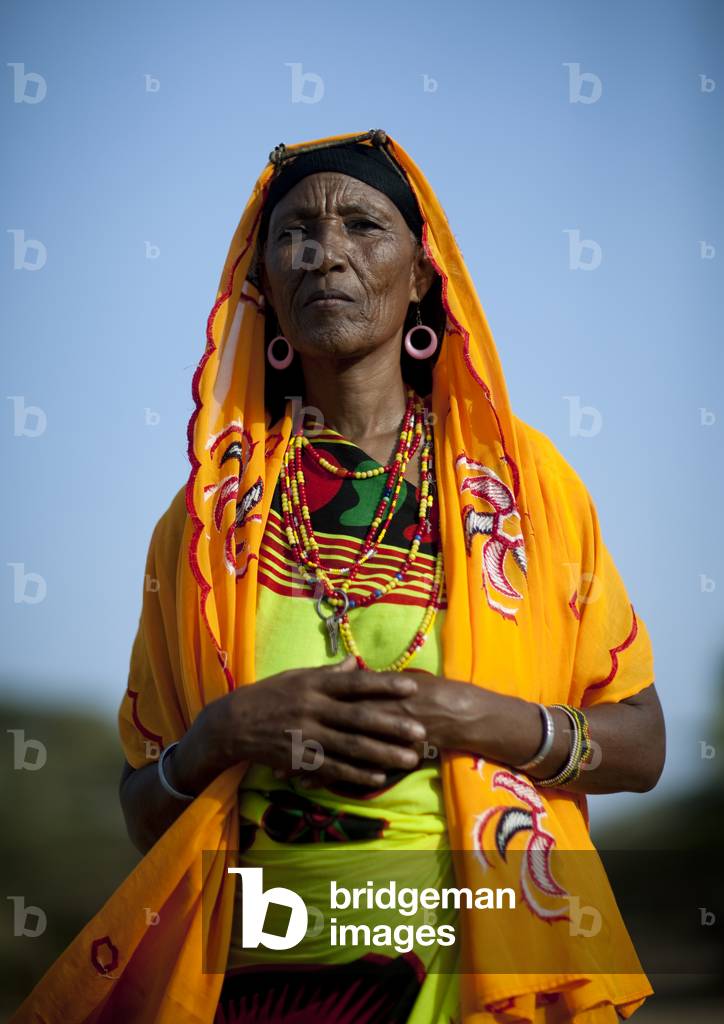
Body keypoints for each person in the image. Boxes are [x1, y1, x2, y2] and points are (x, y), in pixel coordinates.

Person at [11, 129, 665, 1024]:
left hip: (474, 964)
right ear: (265, 286)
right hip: (262, 975)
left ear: (424, 273)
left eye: (363, 225)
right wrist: (222, 734)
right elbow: (144, 811)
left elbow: (642, 744)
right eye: (294, 235)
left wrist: (472, 717)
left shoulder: (525, 488)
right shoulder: (203, 524)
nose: (326, 255)